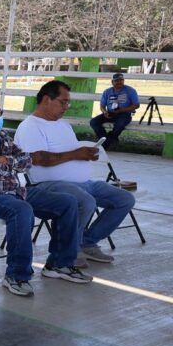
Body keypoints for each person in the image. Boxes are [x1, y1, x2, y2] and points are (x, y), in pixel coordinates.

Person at [0, 95, 88, 294]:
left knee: (68, 202)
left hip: (13, 191)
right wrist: (10, 162)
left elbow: (27, 160)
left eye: (0, 112)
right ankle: (16, 275)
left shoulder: (0, 136)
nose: (0, 117)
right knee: (21, 209)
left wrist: (4, 160)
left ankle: (60, 263)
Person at [15, 80, 136, 266]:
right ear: (46, 99)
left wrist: (85, 154)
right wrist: (76, 154)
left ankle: (86, 242)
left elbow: (69, 152)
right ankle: (69, 250)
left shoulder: (63, 124)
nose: (66, 107)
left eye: (68, 102)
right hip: (48, 185)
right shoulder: (30, 126)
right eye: (63, 102)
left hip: (84, 183)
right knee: (85, 201)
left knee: (124, 199)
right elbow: (38, 159)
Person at [90, 72, 140, 150]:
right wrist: (105, 112)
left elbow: (136, 105)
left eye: (121, 80)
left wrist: (122, 110)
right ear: (112, 82)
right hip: (110, 113)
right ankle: (108, 140)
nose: (119, 82)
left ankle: (106, 142)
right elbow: (102, 106)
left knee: (120, 124)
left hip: (124, 114)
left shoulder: (130, 90)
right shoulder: (107, 91)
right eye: (117, 80)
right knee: (93, 122)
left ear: (123, 81)